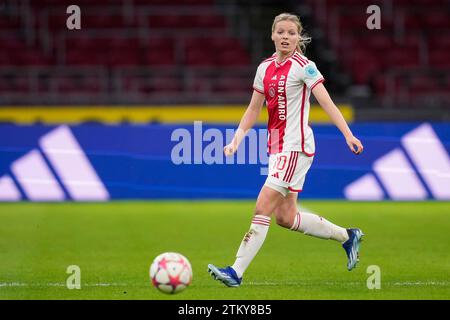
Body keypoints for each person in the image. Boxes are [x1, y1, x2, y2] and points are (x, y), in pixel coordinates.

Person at [207, 13, 364, 287]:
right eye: (281, 32)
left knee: (262, 206)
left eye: (291, 33)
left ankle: (235, 272)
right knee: (285, 217)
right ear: (272, 35)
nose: (285, 37)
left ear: (298, 37)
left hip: (296, 147)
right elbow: (254, 108)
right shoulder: (264, 67)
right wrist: (237, 139)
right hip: (278, 148)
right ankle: (347, 236)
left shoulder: (305, 66)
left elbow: (325, 102)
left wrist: (347, 134)